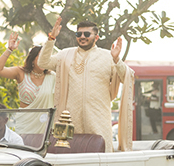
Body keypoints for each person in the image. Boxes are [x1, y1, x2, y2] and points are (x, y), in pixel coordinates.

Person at [37, 17, 134, 151]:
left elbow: (127, 77)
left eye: (87, 34)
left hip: (98, 118)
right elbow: (43, 63)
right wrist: (51, 39)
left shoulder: (108, 56)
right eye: (79, 34)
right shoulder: (65, 55)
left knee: (102, 155)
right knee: (71, 156)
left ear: (96, 37)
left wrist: (117, 60)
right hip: (70, 118)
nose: (82, 37)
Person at [0, 33, 56, 134]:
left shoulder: (52, 76)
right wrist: (9, 49)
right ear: (32, 59)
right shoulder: (21, 73)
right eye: (40, 57)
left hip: (45, 126)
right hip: (25, 126)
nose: (44, 60)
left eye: (46, 57)